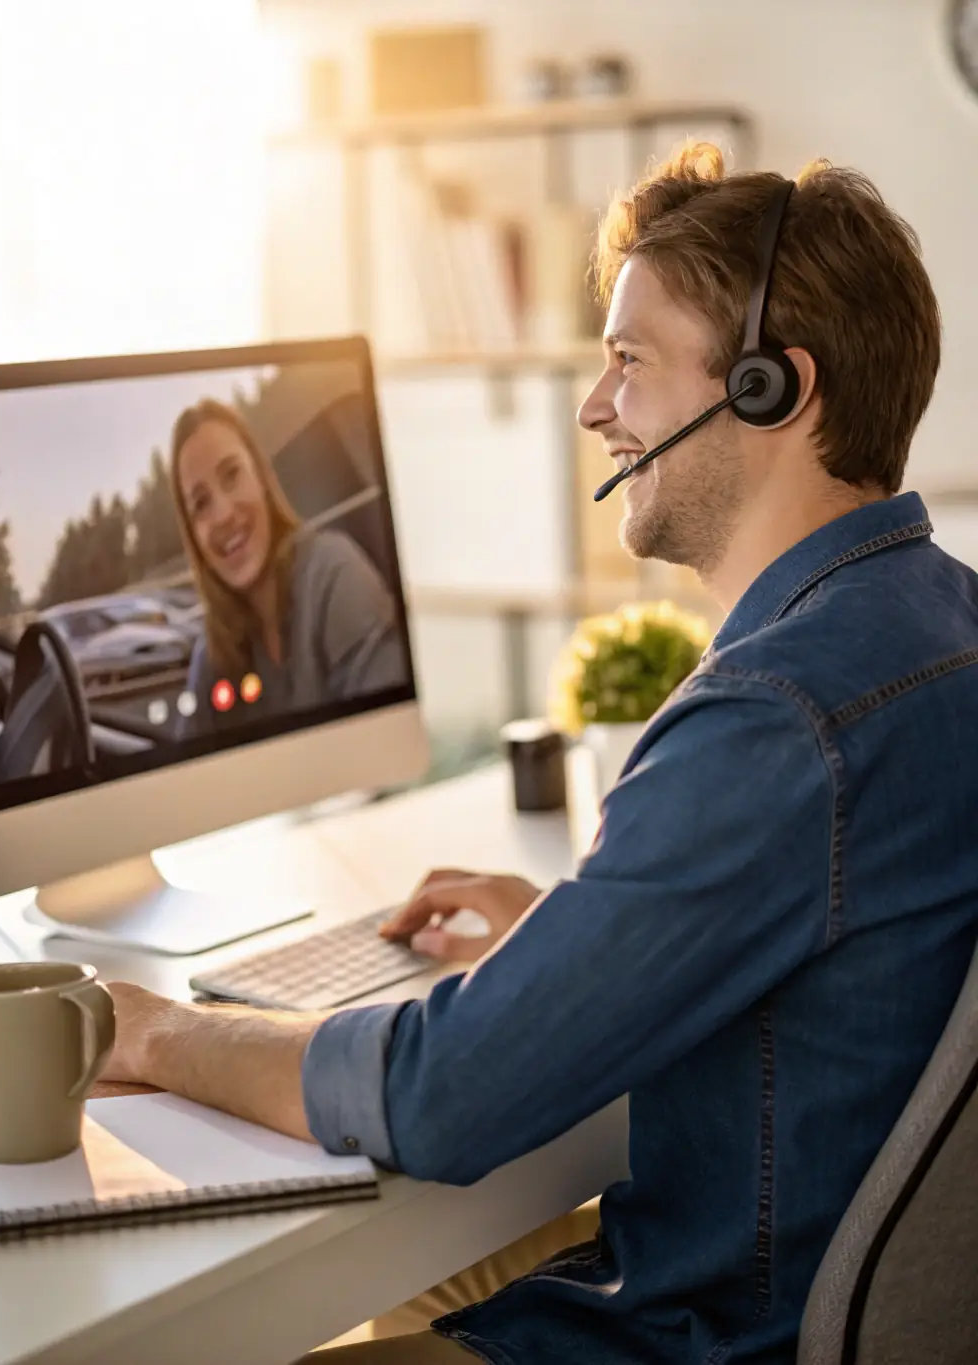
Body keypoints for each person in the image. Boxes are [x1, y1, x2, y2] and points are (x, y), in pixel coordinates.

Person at [102, 144, 978, 1365]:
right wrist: (574, 941)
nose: (592, 404)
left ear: (774, 389)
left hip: (701, 1329)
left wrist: (146, 1034)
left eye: (628, 360)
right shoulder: (946, 625)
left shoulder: (776, 713)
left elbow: (438, 1097)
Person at [169, 398, 407, 737]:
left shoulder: (335, 574)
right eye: (201, 503)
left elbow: (389, 738)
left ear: (263, 478)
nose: (222, 514)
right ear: (193, 536)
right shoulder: (211, 655)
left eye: (232, 475)